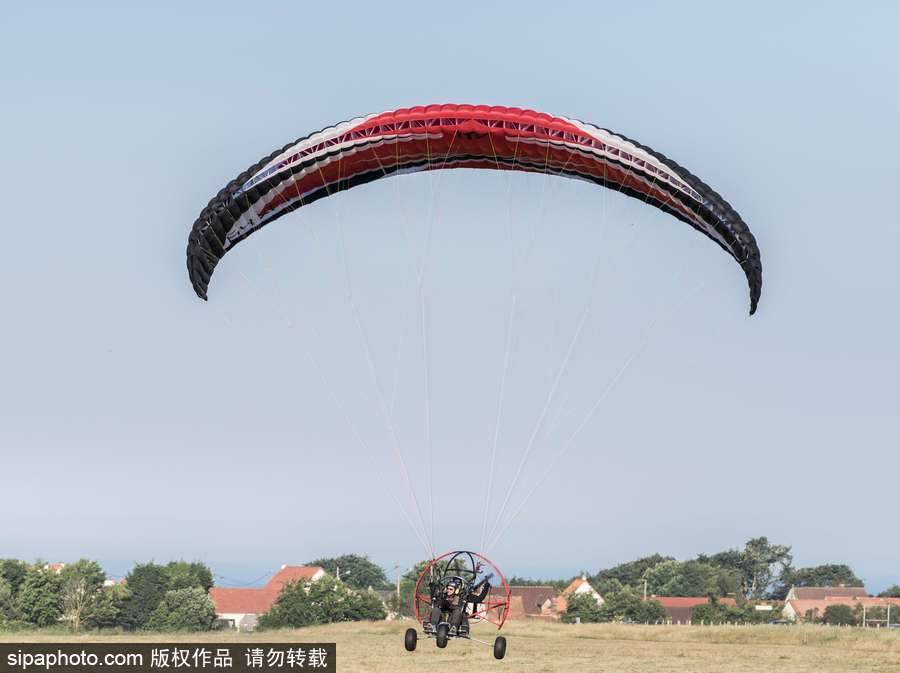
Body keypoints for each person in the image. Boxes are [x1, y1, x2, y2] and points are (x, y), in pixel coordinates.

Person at [425, 576, 491, 636]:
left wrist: (486, 587)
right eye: (448, 589)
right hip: (442, 620)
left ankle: (454, 628)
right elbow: (434, 597)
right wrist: (432, 586)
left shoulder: (463, 597)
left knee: (457, 611)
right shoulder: (443, 595)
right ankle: (433, 626)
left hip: (456, 621)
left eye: (451, 589)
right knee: (436, 609)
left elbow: (479, 599)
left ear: (456, 590)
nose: (448, 591)